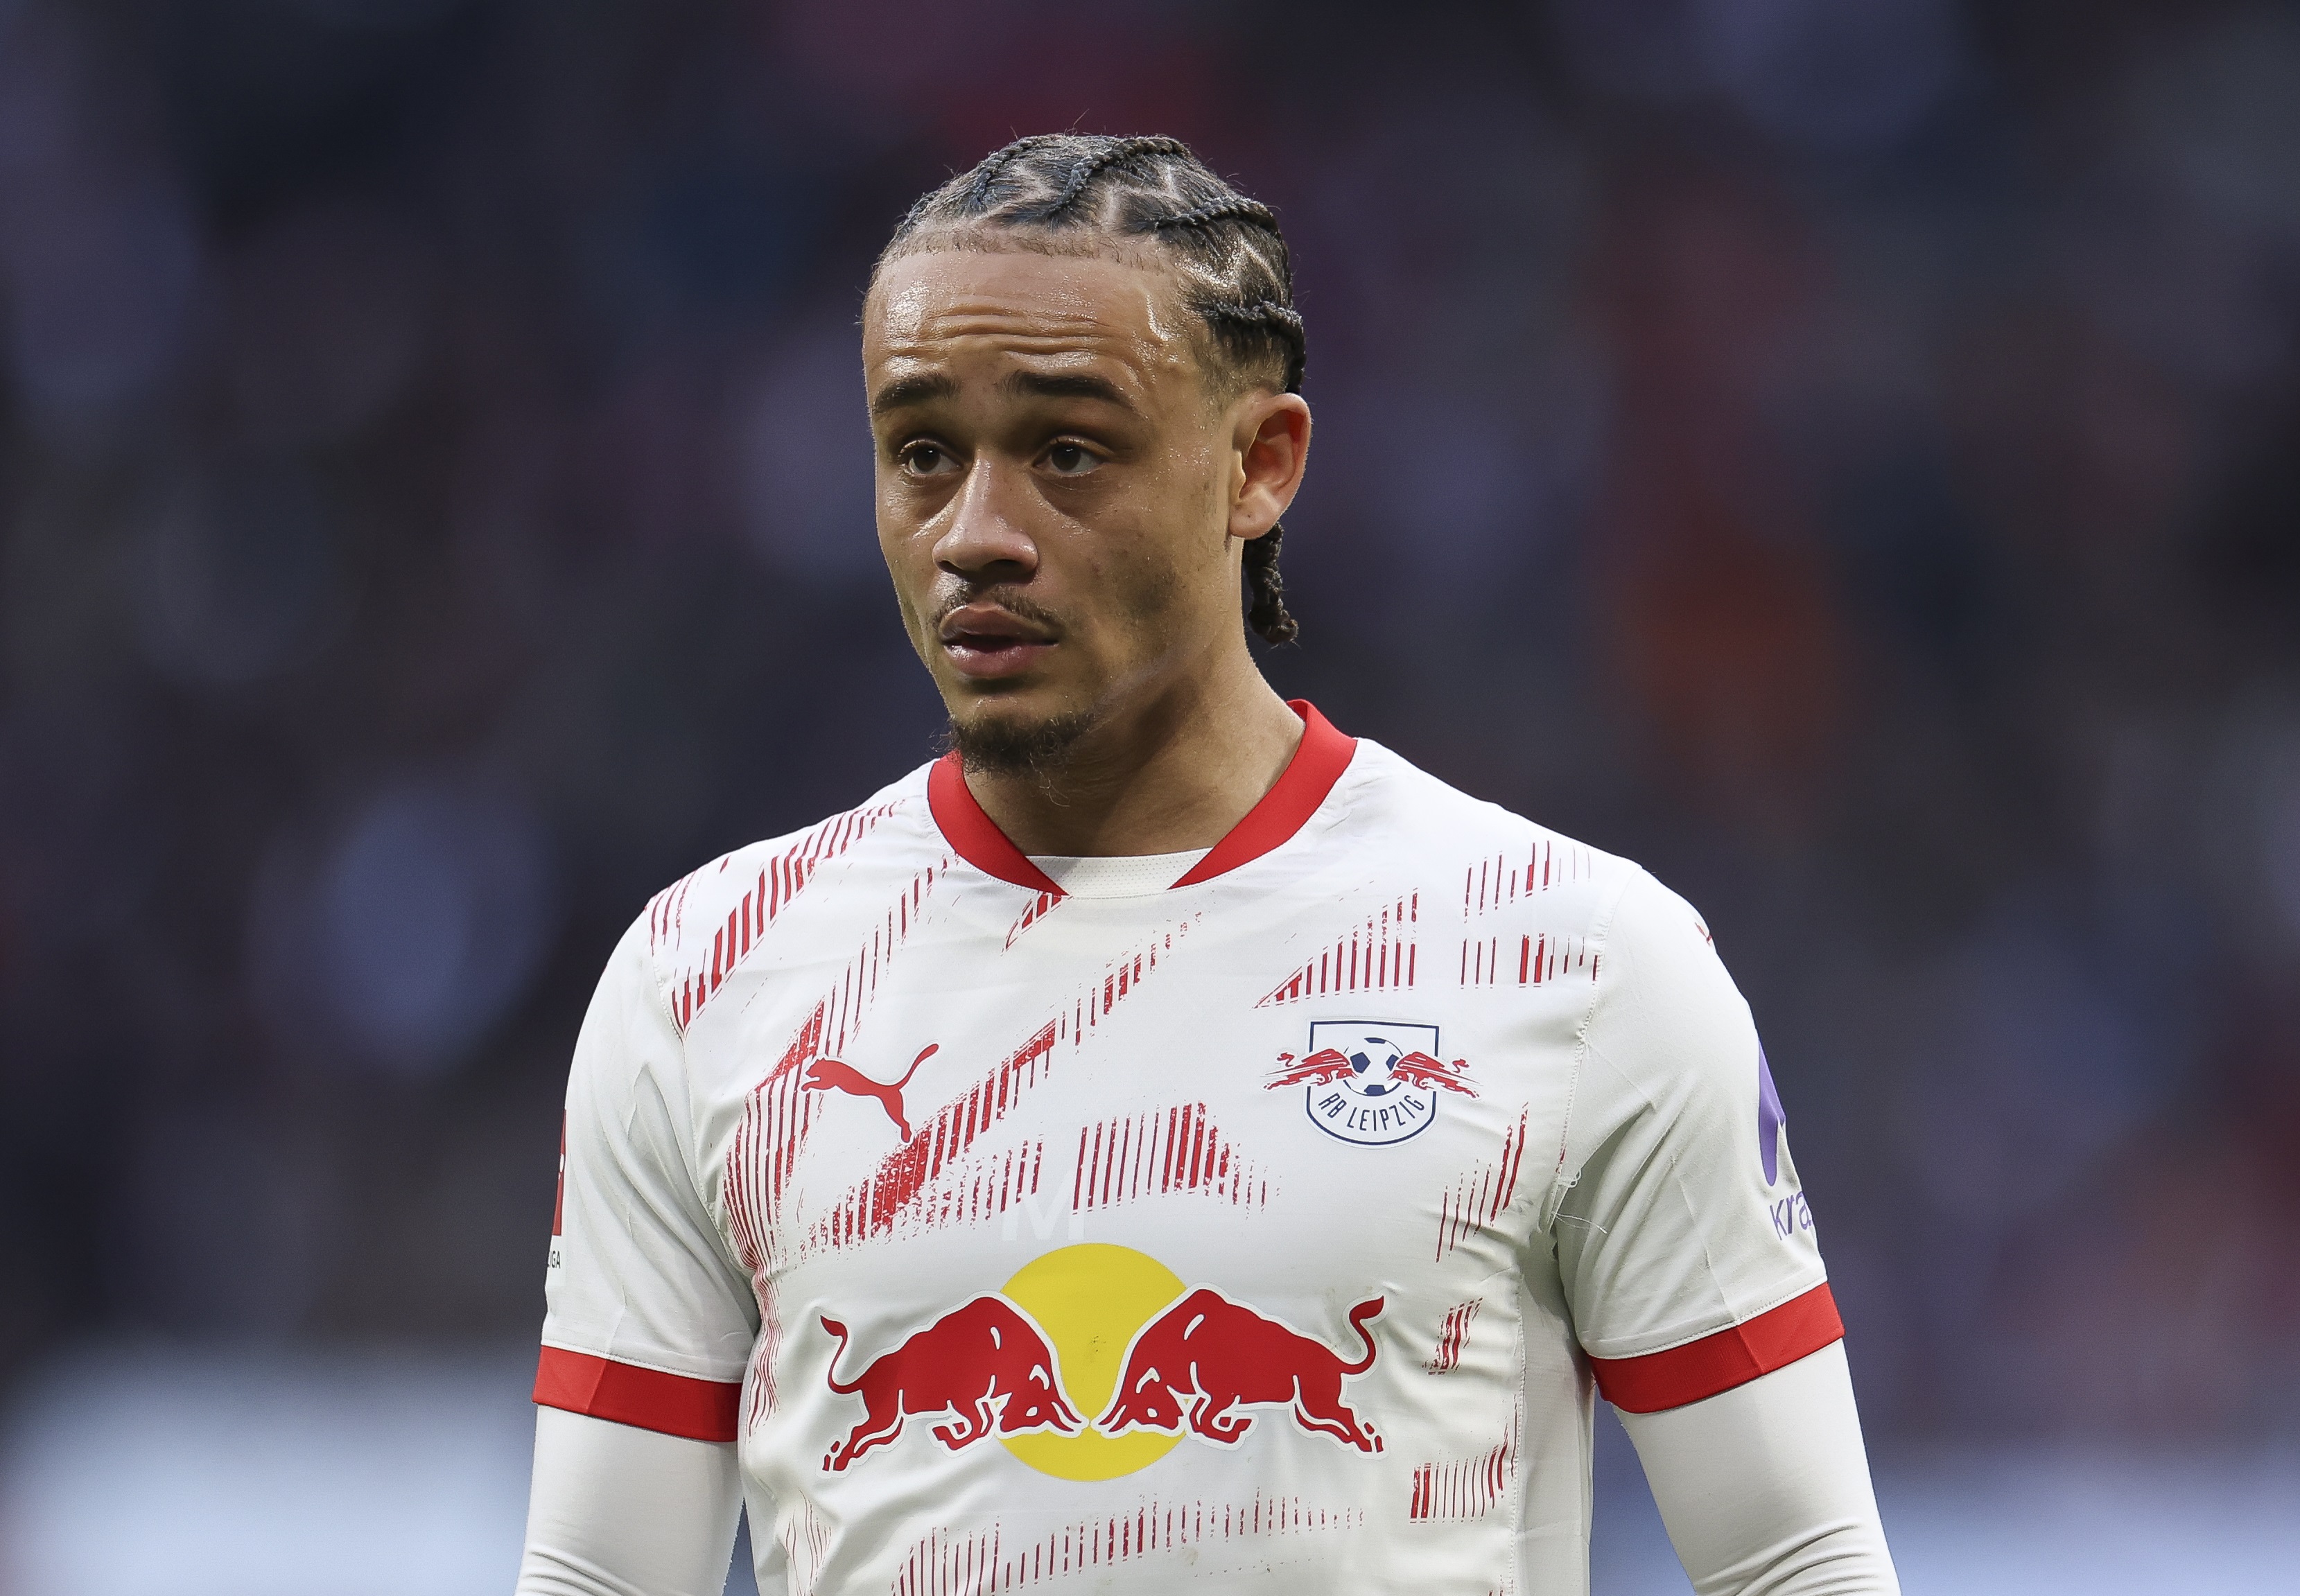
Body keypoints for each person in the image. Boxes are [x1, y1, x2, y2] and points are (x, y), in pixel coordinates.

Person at [517, 133, 1899, 1596]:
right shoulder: (709, 975)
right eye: (923, 451)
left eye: (1067, 451)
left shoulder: (1573, 960)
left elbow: (1793, 1563)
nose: (977, 533)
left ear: (1260, 467)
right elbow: (602, 1579)